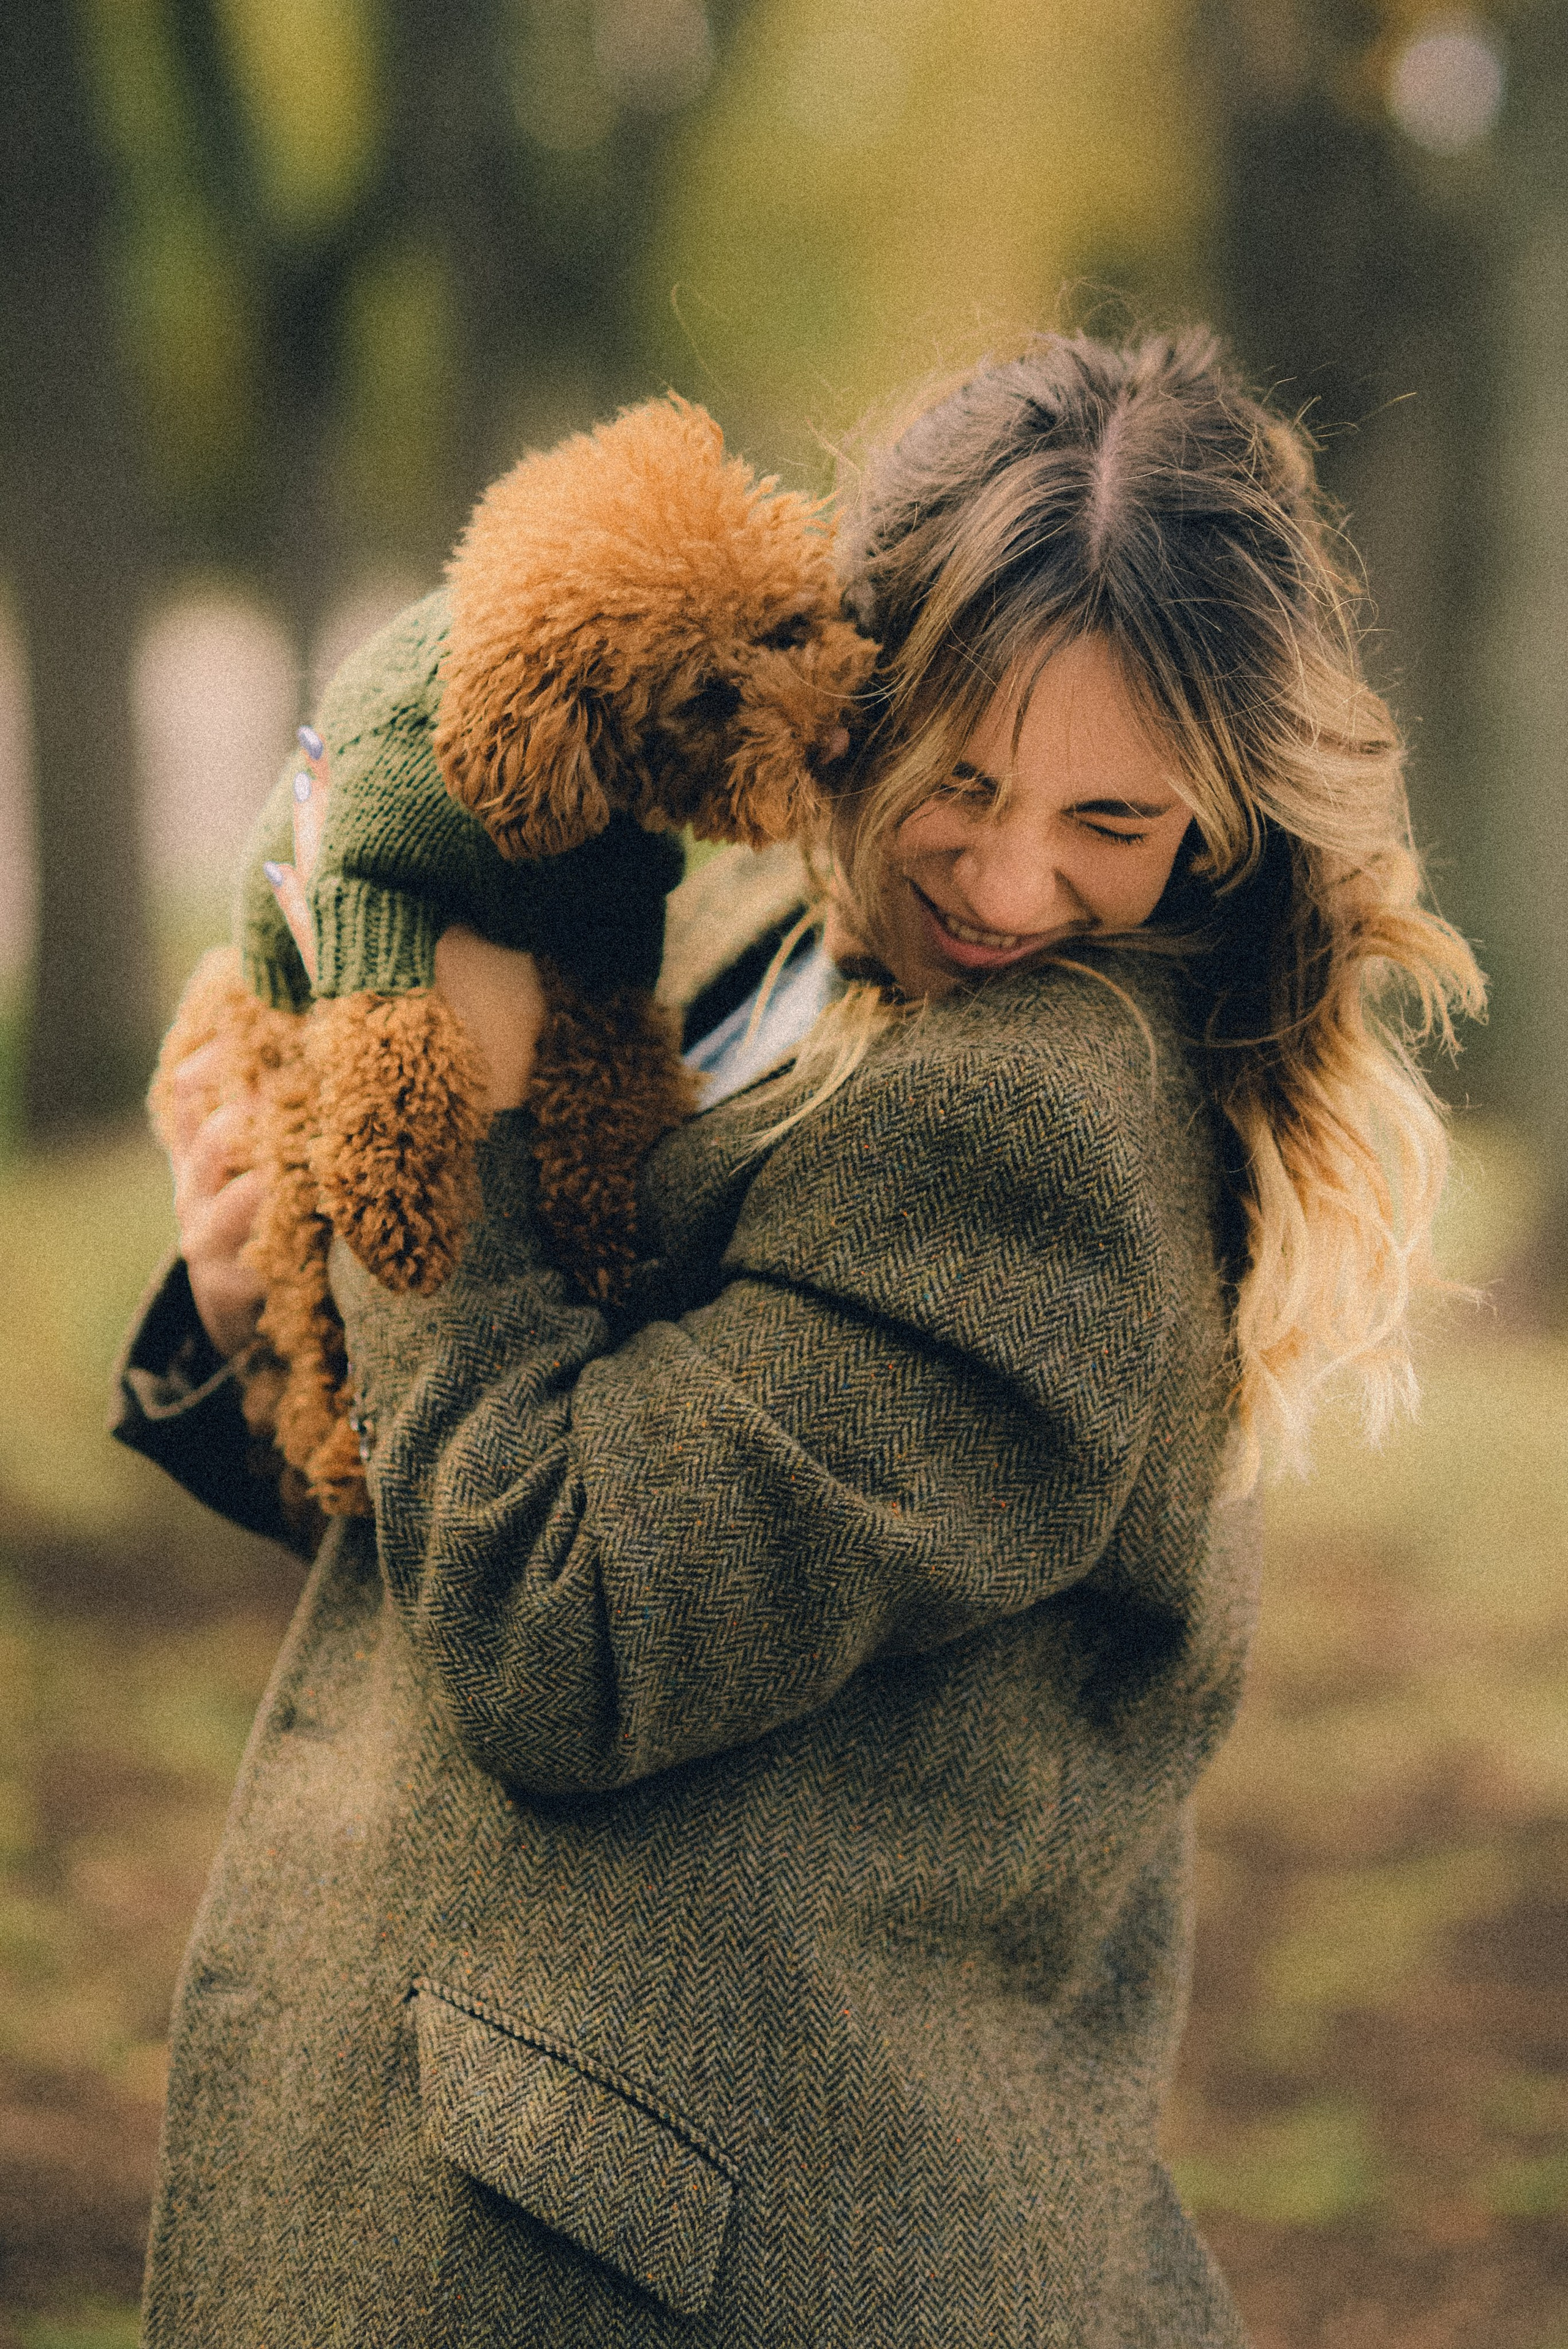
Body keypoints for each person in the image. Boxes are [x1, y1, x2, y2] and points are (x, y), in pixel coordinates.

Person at [115, 328, 1482, 2347]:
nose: (1017, 879)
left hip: (704, 2247)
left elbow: (565, 1614)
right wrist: (248, 1312)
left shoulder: (1043, 1125)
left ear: (1226, 817)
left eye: (1118, 816)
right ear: (859, 686)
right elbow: (539, 1443)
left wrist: (461, 1135)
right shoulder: (770, 925)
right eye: (967, 779)